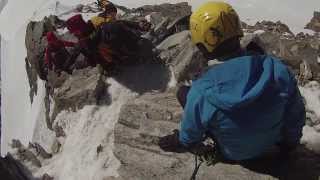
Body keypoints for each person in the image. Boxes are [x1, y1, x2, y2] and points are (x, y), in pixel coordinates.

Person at [159, 1, 306, 161]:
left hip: (232, 154)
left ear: (203, 46)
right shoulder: (277, 70)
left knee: (183, 93)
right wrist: (289, 144)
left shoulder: (201, 90)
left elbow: (190, 136)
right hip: (269, 147)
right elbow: (296, 114)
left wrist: (178, 140)